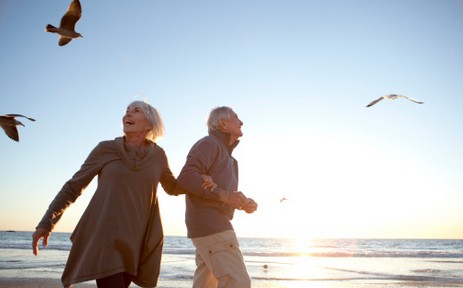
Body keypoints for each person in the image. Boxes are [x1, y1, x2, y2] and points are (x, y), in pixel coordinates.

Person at [32, 100, 215, 288]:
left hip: (137, 239)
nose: (128, 114)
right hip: (105, 235)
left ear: (149, 124)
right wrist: (47, 222)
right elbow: (73, 187)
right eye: (127, 111)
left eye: (136, 111)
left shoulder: (158, 155)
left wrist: (200, 179)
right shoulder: (105, 149)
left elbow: (173, 188)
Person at [177, 106, 258, 288]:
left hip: (208, 228)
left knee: (205, 285)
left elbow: (223, 195)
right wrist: (224, 196)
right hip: (212, 227)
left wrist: (242, 203)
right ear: (223, 124)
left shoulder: (230, 159)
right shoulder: (209, 144)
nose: (242, 122)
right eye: (237, 117)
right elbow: (186, 177)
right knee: (238, 283)